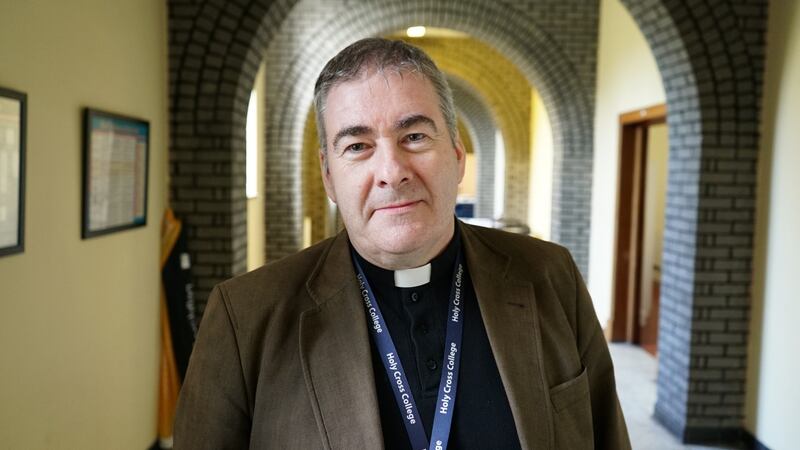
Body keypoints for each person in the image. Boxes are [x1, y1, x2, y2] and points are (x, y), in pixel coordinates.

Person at [174, 37, 630, 449]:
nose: (392, 171)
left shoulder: (551, 275)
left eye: (414, 136)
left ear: (455, 156)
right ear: (329, 175)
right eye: (357, 146)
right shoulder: (245, 317)